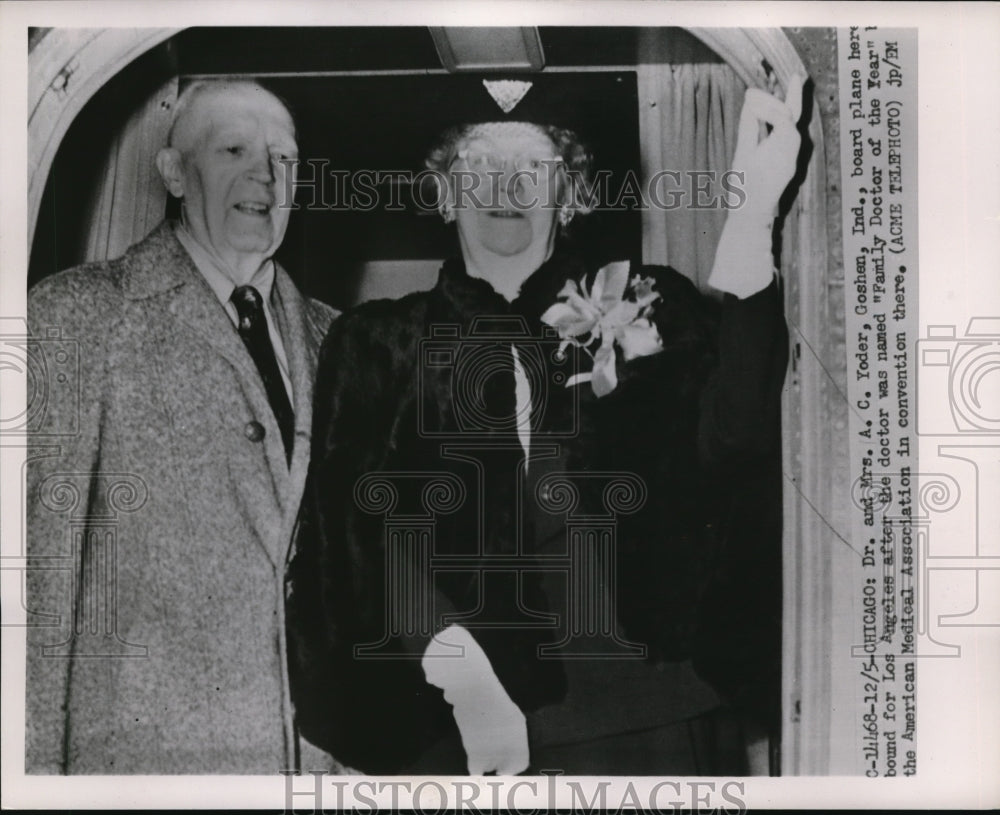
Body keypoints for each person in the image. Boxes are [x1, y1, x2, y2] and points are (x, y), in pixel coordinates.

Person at [287, 77, 803, 775]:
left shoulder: (650, 303)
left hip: (650, 718)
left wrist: (749, 224)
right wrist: (464, 679)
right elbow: (357, 542)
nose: (505, 184)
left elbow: (736, 436)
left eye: (533, 166)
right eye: (477, 163)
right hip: (460, 735)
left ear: (572, 193)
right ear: (445, 189)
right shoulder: (375, 341)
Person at [25, 79, 338, 774]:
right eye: (235, 148)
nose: (266, 173)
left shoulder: (340, 339)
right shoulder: (78, 317)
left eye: (284, 158)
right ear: (173, 172)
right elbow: (35, 589)